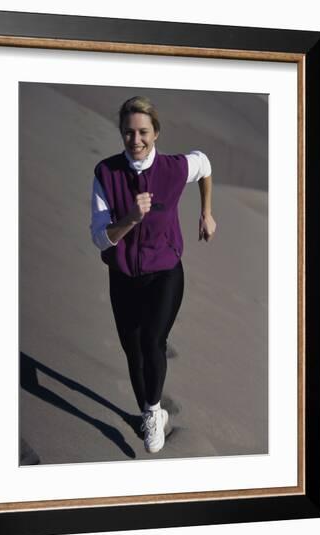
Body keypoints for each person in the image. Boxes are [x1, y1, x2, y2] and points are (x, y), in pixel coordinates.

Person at [90, 96, 217, 454]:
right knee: (132, 348)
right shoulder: (105, 174)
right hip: (123, 274)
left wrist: (206, 212)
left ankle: (152, 412)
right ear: (121, 134)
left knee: (152, 341)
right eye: (129, 132)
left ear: (156, 133)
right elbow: (99, 236)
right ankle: (150, 410)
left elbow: (204, 164)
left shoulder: (174, 169)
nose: (136, 139)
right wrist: (129, 218)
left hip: (165, 271)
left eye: (143, 131)